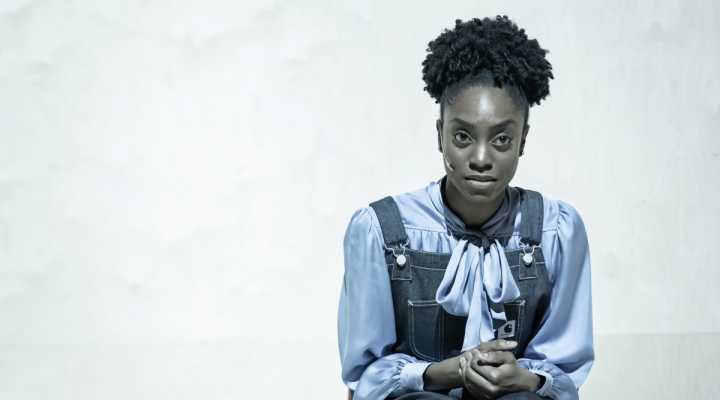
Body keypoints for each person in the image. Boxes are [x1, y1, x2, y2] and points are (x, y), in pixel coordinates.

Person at [337, 16, 594, 400]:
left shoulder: (556, 231)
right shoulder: (381, 230)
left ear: (523, 140)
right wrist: (447, 372)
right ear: (439, 134)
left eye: (502, 139)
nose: (481, 158)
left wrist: (522, 378)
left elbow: (562, 374)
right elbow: (364, 379)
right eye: (462, 136)